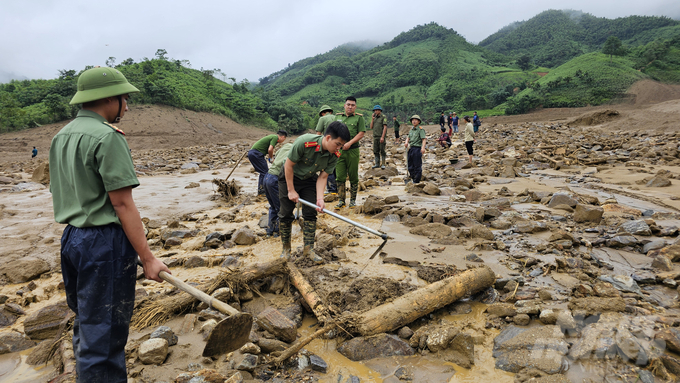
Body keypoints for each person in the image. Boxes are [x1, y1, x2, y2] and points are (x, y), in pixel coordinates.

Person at [49, 66, 170, 383]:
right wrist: (148, 258)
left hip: (72, 239)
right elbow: (122, 203)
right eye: (125, 98)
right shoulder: (107, 137)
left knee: (88, 323)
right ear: (108, 99)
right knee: (105, 339)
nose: (127, 106)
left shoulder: (61, 137)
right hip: (104, 244)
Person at [278, 121, 350, 262]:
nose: (339, 148)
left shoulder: (334, 155)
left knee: (311, 213)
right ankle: (286, 250)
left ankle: (308, 250)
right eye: (338, 144)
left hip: (309, 179)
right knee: (286, 213)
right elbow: (288, 165)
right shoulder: (304, 142)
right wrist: (291, 190)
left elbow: (323, 177)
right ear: (328, 137)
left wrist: (320, 198)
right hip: (289, 177)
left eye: (341, 145)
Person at [335, 96, 366, 208]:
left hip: (353, 151)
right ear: (344, 105)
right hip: (339, 152)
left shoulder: (359, 118)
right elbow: (334, 131)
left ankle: (352, 200)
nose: (350, 107)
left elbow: (361, 133)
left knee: (353, 175)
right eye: (348, 104)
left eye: (352, 105)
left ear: (355, 107)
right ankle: (341, 201)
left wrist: (349, 143)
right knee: (339, 176)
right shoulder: (338, 117)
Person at [263, 142, 293, 237]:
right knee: (281, 206)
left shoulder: (286, 145)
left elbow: (274, 158)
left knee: (273, 205)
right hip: (276, 178)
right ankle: (278, 232)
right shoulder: (296, 152)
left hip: (267, 177)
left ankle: (270, 231)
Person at [248, 130, 287, 195]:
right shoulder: (275, 137)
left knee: (263, 172)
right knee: (265, 172)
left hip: (253, 153)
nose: (283, 141)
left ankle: (262, 190)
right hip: (256, 154)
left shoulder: (272, 136)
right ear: (283, 137)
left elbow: (269, 151)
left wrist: (270, 158)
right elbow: (270, 149)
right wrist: (271, 158)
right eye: (284, 139)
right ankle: (262, 191)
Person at [315, 104, 338, 195]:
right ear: (330, 111)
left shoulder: (322, 119)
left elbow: (318, 134)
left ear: (323, 113)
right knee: (335, 165)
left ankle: (331, 189)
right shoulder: (337, 117)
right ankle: (338, 188)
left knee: (327, 167)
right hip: (338, 145)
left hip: (328, 145)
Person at [404, 115, 427, 184]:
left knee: (417, 165)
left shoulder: (420, 129)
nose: (414, 121)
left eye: (415, 120)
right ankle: (413, 178)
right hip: (411, 149)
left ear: (419, 121)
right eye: (413, 120)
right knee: (410, 165)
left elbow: (424, 139)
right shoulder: (411, 130)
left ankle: (417, 180)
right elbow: (408, 137)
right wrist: (406, 142)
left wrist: (423, 148)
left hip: (417, 149)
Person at [370, 105, 388, 169]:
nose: (375, 111)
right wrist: (372, 119)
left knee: (382, 150)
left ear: (380, 110)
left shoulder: (383, 117)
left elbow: (385, 127)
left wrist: (382, 137)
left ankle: (383, 164)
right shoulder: (375, 118)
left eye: (377, 110)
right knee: (375, 151)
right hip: (375, 137)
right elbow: (371, 127)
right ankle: (377, 164)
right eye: (375, 110)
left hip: (381, 136)